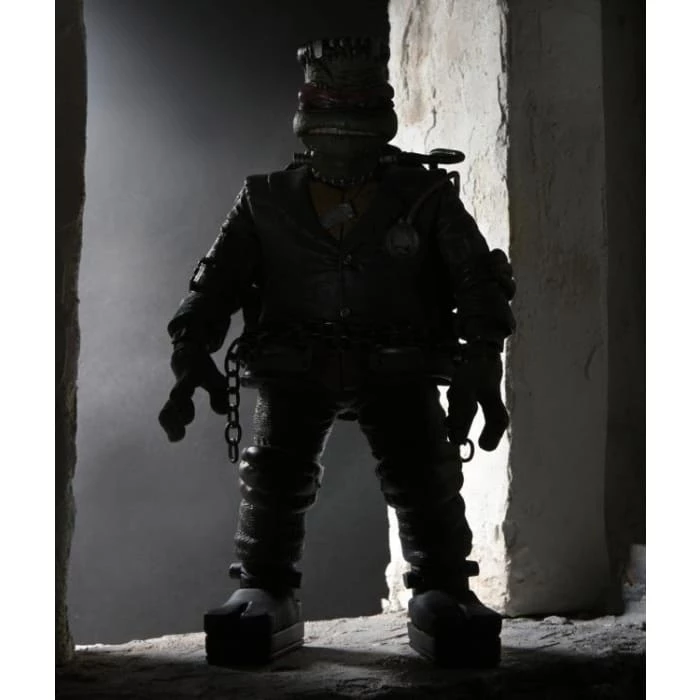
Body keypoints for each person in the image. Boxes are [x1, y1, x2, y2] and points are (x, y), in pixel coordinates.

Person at [159, 36, 515, 668]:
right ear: (307, 118)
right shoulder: (266, 199)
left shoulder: (425, 196)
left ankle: (442, 584)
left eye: (358, 108)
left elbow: (477, 280)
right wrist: (190, 344)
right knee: (274, 473)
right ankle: (265, 583)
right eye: (333, 108)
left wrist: (484, 354)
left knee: (424, 473)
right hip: (295, 362)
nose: (345, 127)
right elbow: (215, 282)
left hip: (398, 361)